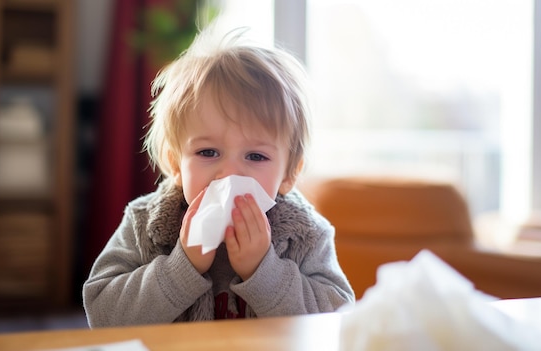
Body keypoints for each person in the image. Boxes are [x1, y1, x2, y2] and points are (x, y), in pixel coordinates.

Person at [82, 27, 355, 327]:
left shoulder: (306, 234)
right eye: (208, 152)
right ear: (175, 163)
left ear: (289, 174)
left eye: (255, 156)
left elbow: (338, 321)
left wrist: (263, 272)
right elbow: (102, 314)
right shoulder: (145, 224)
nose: (230, 174)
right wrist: (181, 268)